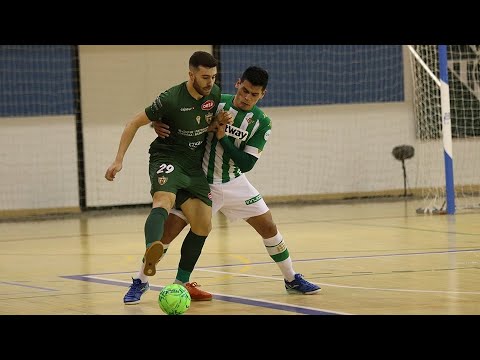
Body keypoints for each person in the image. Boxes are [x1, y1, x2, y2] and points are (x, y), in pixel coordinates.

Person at [153, 66, 321, 297]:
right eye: (244, 91)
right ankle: (140, 281)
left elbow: (247, 164)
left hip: (234, 181)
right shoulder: (216, 102)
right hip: (201, 181)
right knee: (168, 232)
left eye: (253, 94)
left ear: (263, 95)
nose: (246, 98)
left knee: (269, 227)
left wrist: (223, 138)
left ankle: (291, 278)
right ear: (237, 84)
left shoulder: (262, 122)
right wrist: (158, 123)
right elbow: (180, 114)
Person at [105, 51, 232, 305]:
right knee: (163, 200)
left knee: (203, 225)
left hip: (193, 166)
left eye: (213, 77)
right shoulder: (170, 98)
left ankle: (179, 284)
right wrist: (118, 160)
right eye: (205, 77)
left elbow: (200, 124)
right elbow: (133, 123)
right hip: (168, 157)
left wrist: (218, 123)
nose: (210, 82)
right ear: (191, 74)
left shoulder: (214, 94)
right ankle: (148, 262)